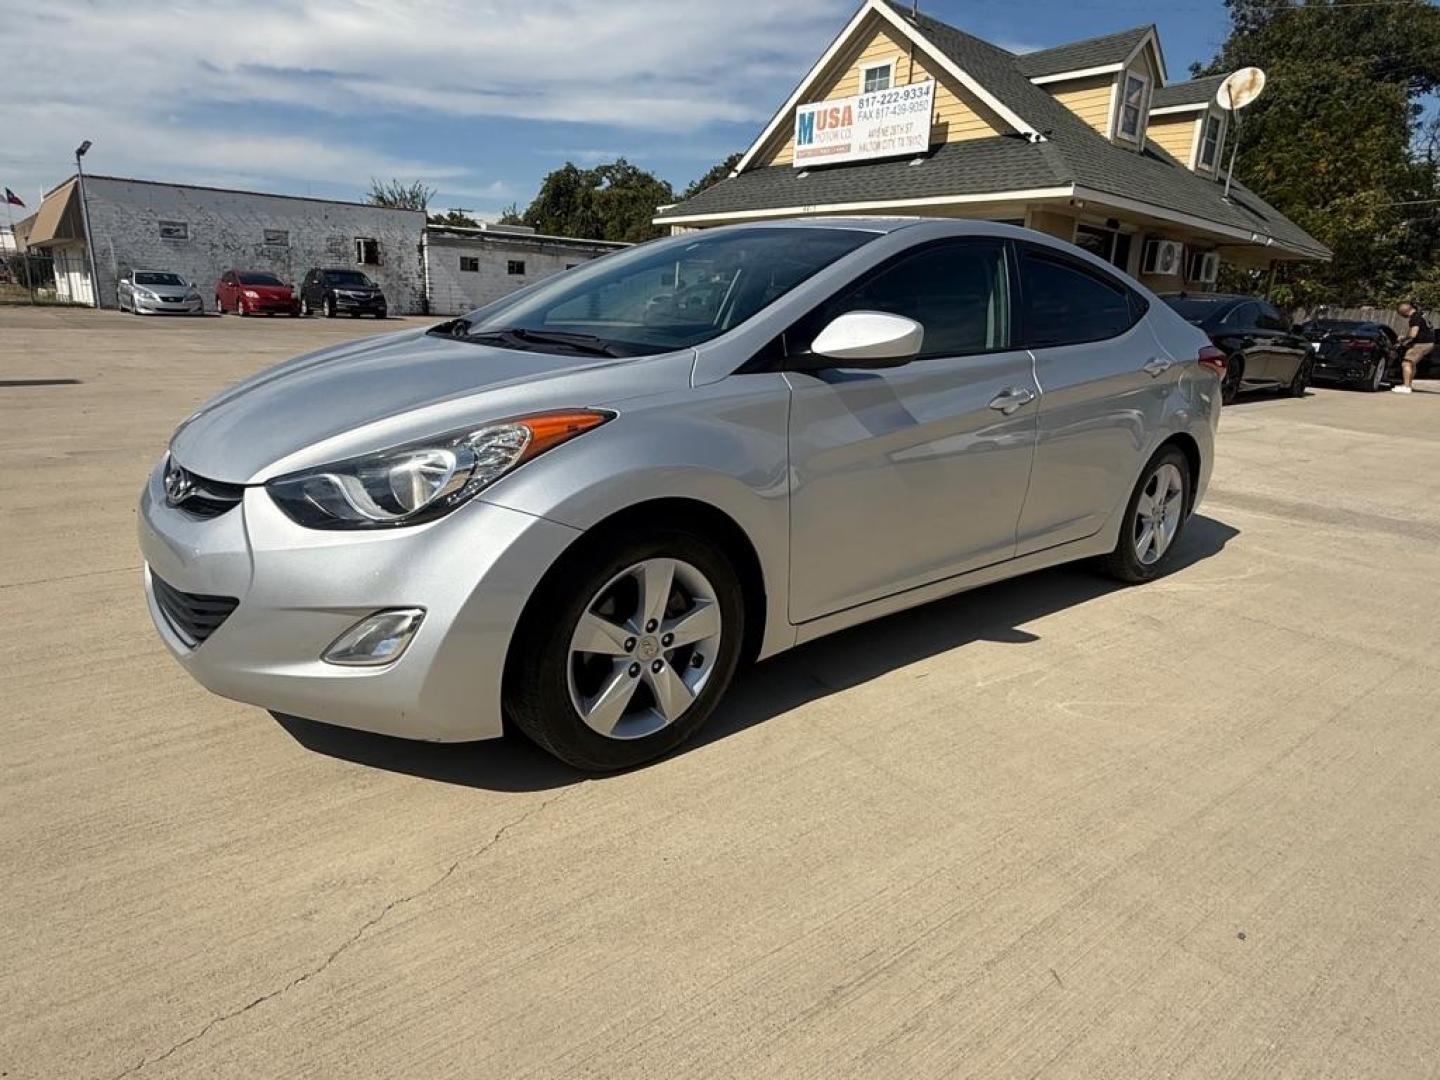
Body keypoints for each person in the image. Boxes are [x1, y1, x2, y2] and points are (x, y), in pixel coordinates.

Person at [1392, 301, 1434, 394]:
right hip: (1428, 343)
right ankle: (1409, 385)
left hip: (1422, 344)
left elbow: (1413, 334)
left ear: (1403, 312)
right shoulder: (1422, 315)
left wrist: (1403, 340)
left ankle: (1406, 387)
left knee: (1406, 363)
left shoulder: (1415, 317)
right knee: (1412, 363)